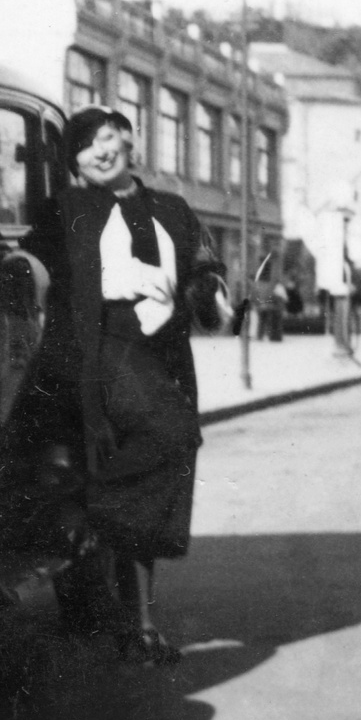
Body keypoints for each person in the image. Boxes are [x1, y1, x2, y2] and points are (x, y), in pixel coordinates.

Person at [24, 106, 225, 667]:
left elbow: (204, 266)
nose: (98, 151)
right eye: (84, 147)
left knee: (150, 471)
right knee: (172, 436)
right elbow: (29, 266)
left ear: (129, 139)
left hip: (162, 352)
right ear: (75, 163)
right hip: (101, 350)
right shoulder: (64, 209)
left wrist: (209, 290)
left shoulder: (172, 208)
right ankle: (100, 522)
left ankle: (139, 622)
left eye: (106, 137)